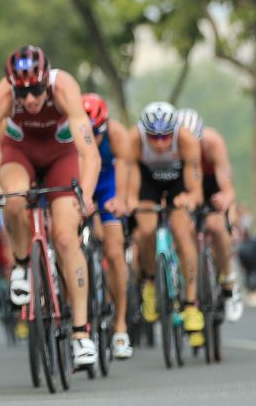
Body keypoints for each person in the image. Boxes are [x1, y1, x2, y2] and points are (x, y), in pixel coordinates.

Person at [0, 46, 100, 367]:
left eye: (37, 90)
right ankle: (22, 265)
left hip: (62, 156)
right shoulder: (0, 97)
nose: (30, 99)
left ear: (47, 81)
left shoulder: (65, 88)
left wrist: (85, 195)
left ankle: (82, 333)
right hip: (19, 154)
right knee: (13, 199)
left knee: (67, 237)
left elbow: (89, 153)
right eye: (23, 91)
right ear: (12, 86)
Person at [124, 102, 206, 344]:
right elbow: (130, 180)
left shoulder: (187, 140)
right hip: (148, 182)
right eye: (154, 137)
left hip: (177, 183)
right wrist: (129, 200)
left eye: (165, 137)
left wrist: (189, 198)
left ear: (174, 131)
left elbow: (196, 190)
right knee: (146, 230)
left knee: (182, 234)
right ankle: (150, 281)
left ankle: (190, 304)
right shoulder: (134, 139)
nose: (159, 143)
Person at [175, 108, 243, 322]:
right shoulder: (174, 148)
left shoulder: (213, 142)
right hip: (186, 183)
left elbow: (227, 187)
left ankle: (228, 281)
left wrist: (225, 198)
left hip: (211, 182)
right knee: (183, 231)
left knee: (216, 226)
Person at [81, 93, 134, 358]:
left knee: (115, 251)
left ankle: (121, 325)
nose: (93, 139)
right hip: (81, 180)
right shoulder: (70, 133)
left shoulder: (117, 134)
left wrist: (121, 200)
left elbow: (125, 170)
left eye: (96, 133)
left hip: (108, 184)